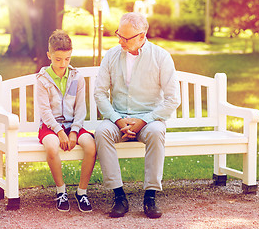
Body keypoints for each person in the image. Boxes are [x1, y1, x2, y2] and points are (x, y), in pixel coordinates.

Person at [94, 12, 181, 219]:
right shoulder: (111, 55)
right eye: (119, 35)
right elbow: (99, 93)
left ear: (142, 36)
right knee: (101, 132)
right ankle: (118, 196)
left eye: (126, 38)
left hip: (149, 118)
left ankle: (150, 196)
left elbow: (172, 99)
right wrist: (117, 119)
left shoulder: (161, 57)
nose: (120, 41)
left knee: (156, 132)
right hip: (118, 118)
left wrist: (144, 120)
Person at [36, 30, 96, 212]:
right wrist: (60, 132)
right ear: (49, 56)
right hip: (50, 127)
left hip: (73, 125)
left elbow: (80, 108)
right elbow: (45, 111)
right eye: (58, 59)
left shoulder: (77, 77)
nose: (63, 64)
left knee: (91, 146)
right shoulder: (42, 79)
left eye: (67, 59)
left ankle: (82, 192)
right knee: (52, 147)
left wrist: (74, 131)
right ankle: (61, 191)